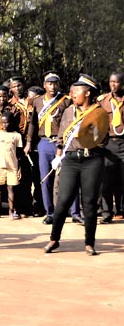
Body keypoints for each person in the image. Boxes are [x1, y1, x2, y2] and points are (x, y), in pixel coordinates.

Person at [46, 74, 109, 256]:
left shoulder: (99, 113)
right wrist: (58, 157)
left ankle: (89, 243)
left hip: (92, 159)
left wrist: (90, 134)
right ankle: (54, 239)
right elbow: (61, 137)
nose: (72, 93)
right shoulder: (68, 111)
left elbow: (103, 138)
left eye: (77, 90)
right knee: (63, 201)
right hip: (71, 160)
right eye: (72, 90)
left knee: (89, 203)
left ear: (87, 93)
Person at [30, 71, 70, 225]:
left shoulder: (65, 101)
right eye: (49, 83)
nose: (52, 86)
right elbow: (32, 123)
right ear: (44, 85)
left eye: (55, 83)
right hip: (44, 142)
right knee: (45, 179)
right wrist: (28, 143)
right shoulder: (37, 102)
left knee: (65, 179)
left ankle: (71, 211)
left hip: (61, 142)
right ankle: (50, 212)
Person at [98, 71, 124, 223]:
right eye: (111, 82)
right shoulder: (103, 101)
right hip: (109, 144)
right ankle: (107, 213)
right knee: (106, 181)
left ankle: (121, 210)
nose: (113, 85)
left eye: (117, 82)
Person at [0, 111, 23, 219]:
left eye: (7, 123)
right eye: (2, 123)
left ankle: (11, 211)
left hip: (12, 166)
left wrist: (19, 168)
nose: (4, 125)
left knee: (11, 189)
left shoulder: (16, 136)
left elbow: (19, 154)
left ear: (11, 123)